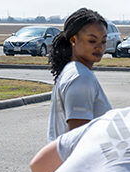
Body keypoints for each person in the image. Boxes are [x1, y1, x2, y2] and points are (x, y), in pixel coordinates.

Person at [46, 8, 112, 142]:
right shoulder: (80, 77)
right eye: (92, 41)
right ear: (74, 40)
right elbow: (79, 139)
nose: (100, 47)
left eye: (103, 41)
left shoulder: (73, 71)